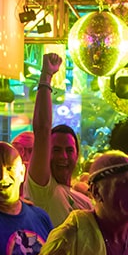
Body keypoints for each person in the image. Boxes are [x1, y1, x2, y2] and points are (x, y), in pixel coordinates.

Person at [24, 54, 91, 227]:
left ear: (77, 155)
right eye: (56, 150)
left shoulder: (85, 201)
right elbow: (42, 129)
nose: (63, 156)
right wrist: (46, 77)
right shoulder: (43, 189)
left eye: (69, 150)